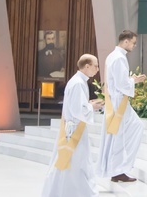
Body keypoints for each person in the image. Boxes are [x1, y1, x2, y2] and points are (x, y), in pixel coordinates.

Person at [42, 54, 104, 197]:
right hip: (74, 130)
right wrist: (92, 107)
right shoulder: (77, 83)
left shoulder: (78, 81)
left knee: (75, 163)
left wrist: (89, 104)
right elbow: (78, 110)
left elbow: (77, 105)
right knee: (76, 164)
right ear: (87, 66)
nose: (97, 69)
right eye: (95, 65)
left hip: (74, 128)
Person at [97, 30, 147, 183]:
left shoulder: (114, 56)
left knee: (127, 131)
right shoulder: (118, 58)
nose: (134, 45)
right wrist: (134, 81)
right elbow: (121, 83)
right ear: (125, 41)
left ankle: (118, 168)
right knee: (122, 134)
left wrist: (130, 79)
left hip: (116, 100)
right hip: (118, 102)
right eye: (133, 43)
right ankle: (119, 169)